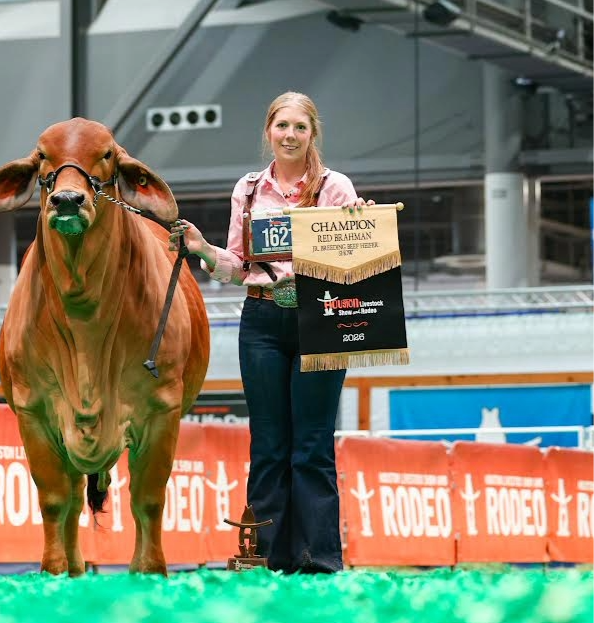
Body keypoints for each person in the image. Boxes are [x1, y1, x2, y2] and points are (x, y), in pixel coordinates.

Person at [169, 91, 371, 574]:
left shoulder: (336, 187)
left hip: (322, 317)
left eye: (300, 127)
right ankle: (263, 558)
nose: (290, 135)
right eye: (282, 126)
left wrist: (364, 227)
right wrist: (202, 248)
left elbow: (358, 260)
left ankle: (319, 559)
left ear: (312, 134)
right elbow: (238, 266)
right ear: (268, 131)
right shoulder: (247, 190)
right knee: (268, 445)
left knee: (313, 446)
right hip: (260, 319)